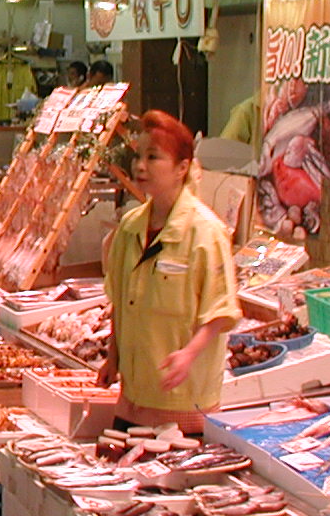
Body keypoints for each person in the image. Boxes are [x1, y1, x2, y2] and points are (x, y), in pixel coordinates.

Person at [98, 111, 238, 432]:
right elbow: (119, 303)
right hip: (132, 396)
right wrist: (113, 357)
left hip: (183, 400)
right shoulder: (130, 227)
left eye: (153, 157)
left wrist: (188, 355)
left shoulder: (206, 232)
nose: (140, 166)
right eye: (138, 156)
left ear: (182, 168)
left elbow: (220, 311)